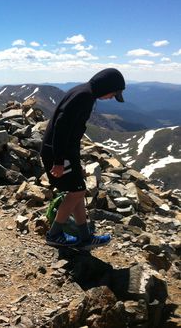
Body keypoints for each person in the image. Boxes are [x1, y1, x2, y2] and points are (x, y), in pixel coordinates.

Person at [41, 68, 126, 250]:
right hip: (57, 152)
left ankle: (85, 237)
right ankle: (55, 234)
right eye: (113, 93)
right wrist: (58, 161)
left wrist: (73, 162)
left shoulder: (84, 92)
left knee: (77, 190)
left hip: (63, 152)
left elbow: (70, 133)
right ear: (107, 86)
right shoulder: (84, 96)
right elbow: (61, 126)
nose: (112, 97)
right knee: (77, 192)